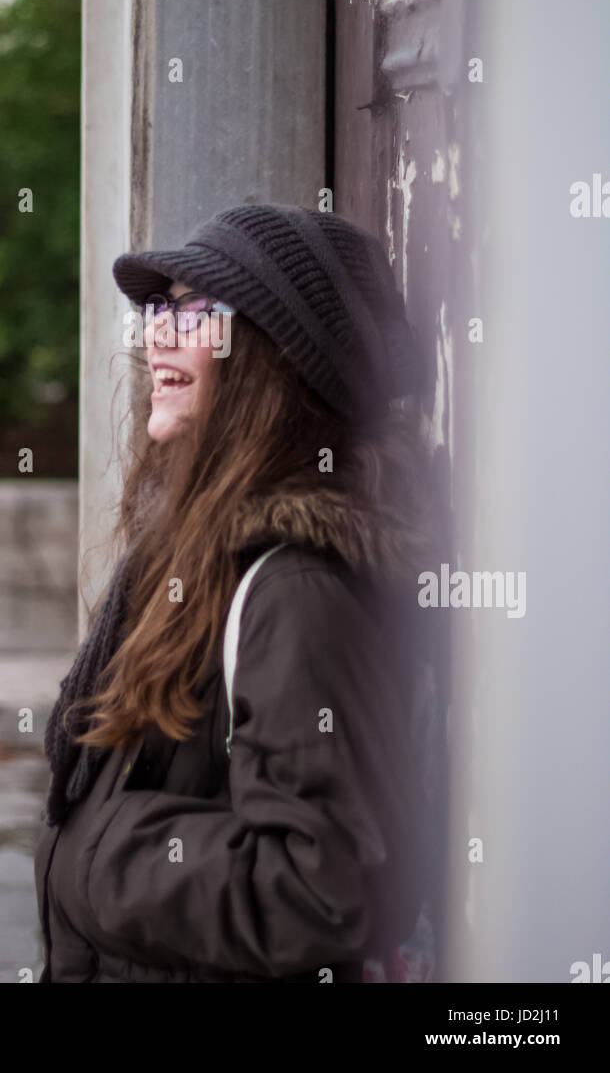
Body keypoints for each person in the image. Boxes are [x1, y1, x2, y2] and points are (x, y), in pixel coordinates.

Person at [35, 203, 441, 983]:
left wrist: (91, 855)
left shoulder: (296, 588)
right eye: (159, 309)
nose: (157, 332)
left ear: (277, 359)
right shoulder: (192, 559)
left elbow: (321, 891)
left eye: (196, 311)